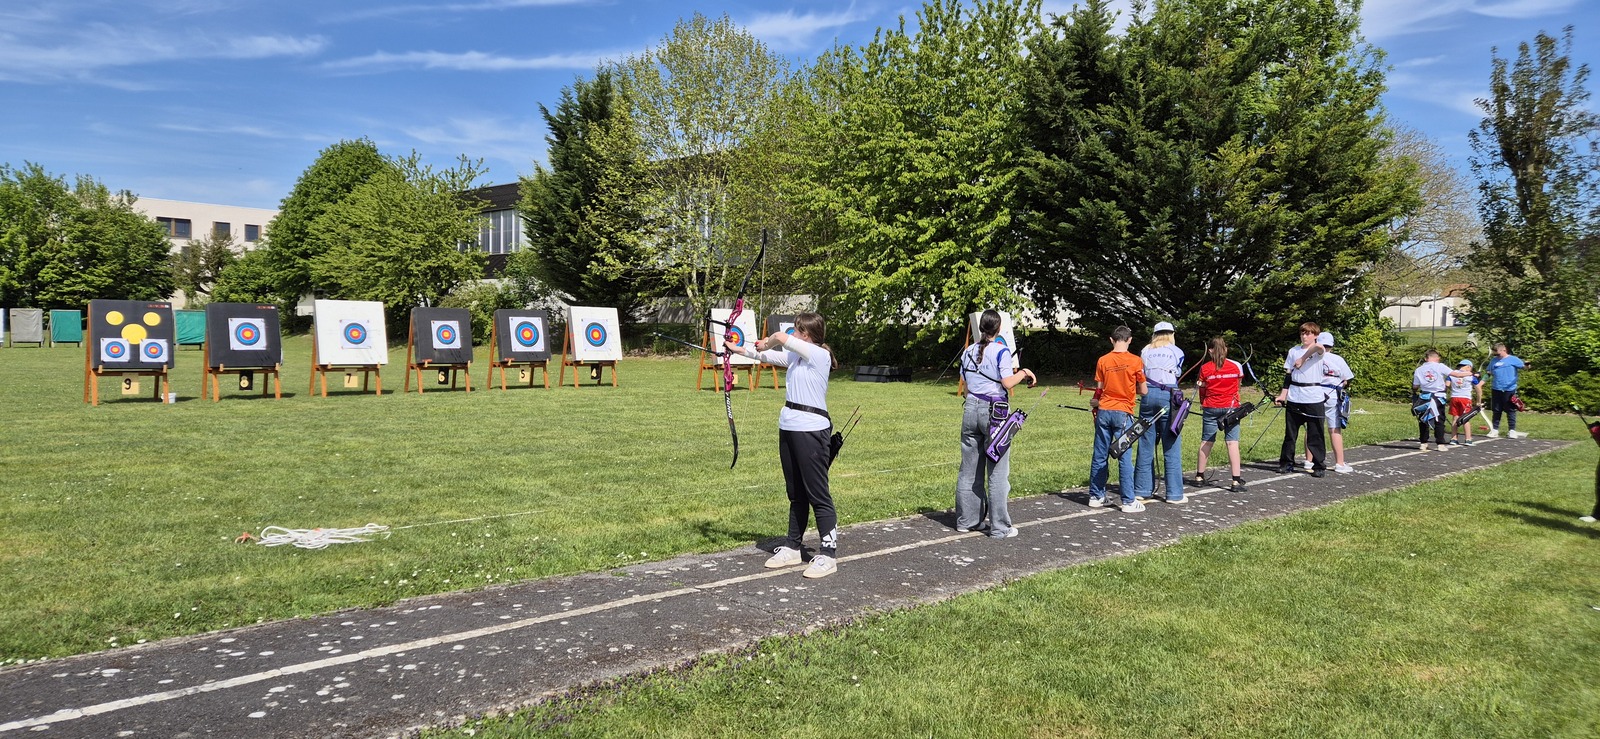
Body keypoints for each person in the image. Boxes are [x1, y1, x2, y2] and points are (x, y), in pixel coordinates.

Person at [728, 312, 841, 579]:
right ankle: (792, 547)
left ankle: (828, 554)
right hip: (789, 426)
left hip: (811, 430)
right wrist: (739, 349)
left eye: (797, 330)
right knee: (796, 493)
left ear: (806, 334)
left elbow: (779, 338)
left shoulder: (819, 355)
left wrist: (768, 341)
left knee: (818, 493)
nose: (793, 334)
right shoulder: (795, 357)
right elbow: (766, 356)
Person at [955, 309, 1038, 538]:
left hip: (970, 408)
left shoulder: (968, 351)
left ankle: (967, 521)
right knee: (998, 470)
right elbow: (1007, 382)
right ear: (998, 329)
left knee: (969, 469)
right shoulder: (1001, 351)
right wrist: (1024, 372)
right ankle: (1000, 527)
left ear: (981, 327)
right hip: (995, 412)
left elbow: (967, 386)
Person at [1088, 326, 1147, 512]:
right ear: (1129, 340)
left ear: (1111, 340)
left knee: (1100, 454)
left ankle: (1096, 496)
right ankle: (1128, 501)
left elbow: (1099, 388)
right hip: (1123, 413)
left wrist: (1097, 401)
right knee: (1124, 456)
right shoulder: (1136, 361)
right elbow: (1144, 390)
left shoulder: (1103, 360)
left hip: (1104, 411)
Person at [1135, 321, 1185, 503]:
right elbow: (1177, 372)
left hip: (1148, 394)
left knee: (1145, 442)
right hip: (1168, 395)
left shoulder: (1145, 350)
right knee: (1171, 442)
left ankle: (1142, 490)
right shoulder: (1177, 351)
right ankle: (1174, 494)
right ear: (1171, 334)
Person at [1194, 336, 1246, 492]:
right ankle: (1235, 480)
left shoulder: (1205, 368)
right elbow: (1238, 386)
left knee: (1207, 441)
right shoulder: (1236, 366)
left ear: (1210, 351)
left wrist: (1203, 402)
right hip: (1231, 407)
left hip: (1211, 406)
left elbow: (1202, 389)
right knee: (1232, 442)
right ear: (1226, 349)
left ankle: (1199, 476)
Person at [1276, 322, 1327, 477]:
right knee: (1290, 434)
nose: (1304, 336)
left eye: (1308, 333)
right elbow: (1288, 375)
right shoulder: (1293, 351)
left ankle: (1318, 465)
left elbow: (1318, 347)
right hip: (1295, 396)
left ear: (1315, 335)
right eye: (1302, 333)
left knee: (1315, 433)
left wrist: (1303, 359)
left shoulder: (1318, 350)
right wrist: (1283, 394)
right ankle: (1286, 463)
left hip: (1313, 397)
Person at [1307, 332, 1355, 473]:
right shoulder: (1337, 359)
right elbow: (1347, 378)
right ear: (1332, 345)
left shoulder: (1312, 357)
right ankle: (1339, 463)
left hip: (1314, 395)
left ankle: (1308, 461)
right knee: (1334, 428)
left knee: (1312, 428)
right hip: (1332, 395)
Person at [1412, 349, 1462, 451]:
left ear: (1426, 358)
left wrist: (1415, 391)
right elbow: (1456, 374)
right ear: (1437, 358)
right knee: (1439, 419)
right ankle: (1440, 444)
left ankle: (1423, 443)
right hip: (1438, 397)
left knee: (1423, 419)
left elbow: (1415, 386)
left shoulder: (1419, 369)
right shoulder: (1440, 366)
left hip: (1424, 397)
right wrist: (1470, 374)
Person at [1486, 343, 1528, 439]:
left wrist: (1527, 365)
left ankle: (1512, 430)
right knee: (1496, 410)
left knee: (1510, 409)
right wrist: (1481, 377)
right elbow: (1489, 372)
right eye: (1495, 353)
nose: (1496, 355)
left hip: (1509, 389)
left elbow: (1524, 367)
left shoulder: (1513, 359)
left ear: (1504, 350)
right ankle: (1495, 430)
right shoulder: (1494, 360)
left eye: (1498, 353)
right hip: (1496, 388)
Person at [1447, 359, 1483, 446]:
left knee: (1455, 418)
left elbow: (1447, 384)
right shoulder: (1471, 376)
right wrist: (1479, 401)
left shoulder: (1452, 374)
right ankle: (1468, 439)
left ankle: (1453, 438)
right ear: (1468, 366)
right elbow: (1478, 389)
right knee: (1466, 418)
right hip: (1465, 398)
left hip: (1454, 397)